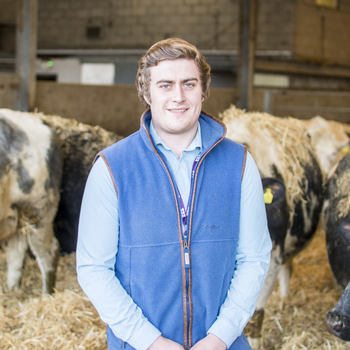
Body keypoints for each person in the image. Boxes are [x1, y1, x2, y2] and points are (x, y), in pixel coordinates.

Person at [76, 38, 272, 350]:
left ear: (204, 91)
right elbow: (93, 268)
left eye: (189, 84)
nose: (178, 96)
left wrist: (221, 337)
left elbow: (255, 258)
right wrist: (150, 341)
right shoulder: (112, 167)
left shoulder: (240, 163)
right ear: (146, 92)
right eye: (165, 85)